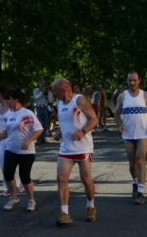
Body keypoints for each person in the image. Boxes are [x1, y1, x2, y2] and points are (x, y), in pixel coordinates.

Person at [51, 78, 98, 226]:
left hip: (83, 147)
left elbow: (94, 120)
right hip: (66, 148)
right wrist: (59, 132)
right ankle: (64, 213)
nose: (53, 93)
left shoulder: (80, 100)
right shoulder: (59, 104)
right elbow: (65, 123)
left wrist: (82, 132)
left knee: (86, 180)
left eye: (55, 90)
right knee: (61, 178)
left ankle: (90, 206)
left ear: (63, 89)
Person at [0, 88, 43, 212]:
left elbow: (39, 129)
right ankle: (14, 197)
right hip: (11, 149)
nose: (7, 103)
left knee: (24, 177)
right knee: (8, 174)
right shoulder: (9, 114)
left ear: (15, 100)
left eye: (9, 100)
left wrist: (28, 141)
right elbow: (7, 131)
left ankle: (31, 199)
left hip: (26, 151)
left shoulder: (27, 113)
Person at [114, 71, 147, 205]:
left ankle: (140, 191)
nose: (132, 83)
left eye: (134, 80)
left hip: (143, 134)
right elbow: (116, 113)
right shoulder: (122, 96)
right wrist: (120, 125)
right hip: (128, 135)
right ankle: (134, 181)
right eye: (129, 81)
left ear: (139, 81)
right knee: (132, 163)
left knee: (140, 160)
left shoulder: (145, 95)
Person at [0, 83, 24, 196]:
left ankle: (17, 185)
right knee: (2, 163)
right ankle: (9, 186)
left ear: (2, 94)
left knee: (10, 163)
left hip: (11, 137)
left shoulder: (12, 106)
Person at [33, 78, 49, 144]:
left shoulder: (46, 90)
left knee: (45, 123)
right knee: (39, 124)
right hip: (38, 107)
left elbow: (49, 99)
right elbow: (36, 98)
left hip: (45, 107)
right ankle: (38, 139)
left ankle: (43, 138)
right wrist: (42, 92)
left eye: (44, 84)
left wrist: (47, 92)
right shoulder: (35, 90)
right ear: (39, 83)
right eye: (41, 83)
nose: (42, 85)